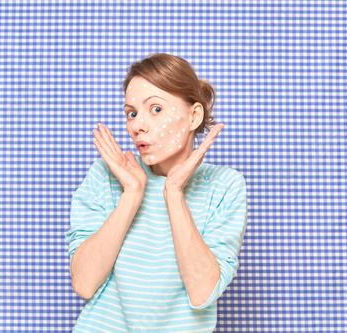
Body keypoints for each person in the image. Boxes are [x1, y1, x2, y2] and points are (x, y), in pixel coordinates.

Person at [65, 53, 248, 332]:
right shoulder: (107, 173)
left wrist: (173, 193)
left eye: (156, 109)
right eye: (132, 113)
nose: (138, 125)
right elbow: (84, 283)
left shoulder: (224, 185)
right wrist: (132, 194)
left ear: (193, 116)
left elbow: (203, 294)